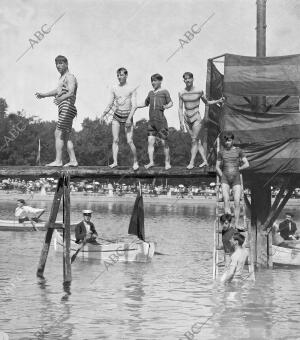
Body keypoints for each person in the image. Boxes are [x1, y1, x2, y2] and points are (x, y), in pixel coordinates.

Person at [35, 55, 78, 167]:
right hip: (65, 108)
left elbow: (71, 92)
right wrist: (44, 95)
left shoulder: (70, 76)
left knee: (58, 133)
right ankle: (73, 160)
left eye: (61, 63)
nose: (58, 66)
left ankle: (58, 161)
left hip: (67, 107)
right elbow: (57, 91)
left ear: (66, 64)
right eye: (56, 64)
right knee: (66, 135)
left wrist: (60, 98)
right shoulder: (62, 78)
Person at [178, 72, 224, 169]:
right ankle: (205, 161)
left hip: (196, 118)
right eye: (185, 79)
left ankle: (191, 162)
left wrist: (218, 101)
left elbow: (207, 102)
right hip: (186, 118)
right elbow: (180, 108)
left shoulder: (199, 91)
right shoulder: (181, 93)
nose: (187, 80)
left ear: (193, 79)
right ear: (184, 80)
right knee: (196, 141)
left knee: (194, 140)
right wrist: (181, 122)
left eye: (189, 78)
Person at [127, 73, 173, 170]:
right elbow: (145, 103)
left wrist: (166, 106)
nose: (153, 82)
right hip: (151, 123)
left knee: (164, 143)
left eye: (155, 80)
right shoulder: (150, 93)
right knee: (150, 142)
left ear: (160, 81)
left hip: (161, 122)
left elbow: (171, 102)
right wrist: (136, 105)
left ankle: (167, 163)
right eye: (152, 81)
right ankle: (151, 162)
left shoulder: (164, 92)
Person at [100, 68, 139, 170]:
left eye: (121, 75)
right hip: (117, 116)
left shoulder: (132, 88)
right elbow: (110, 103)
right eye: (118, 75)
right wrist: (103, 114)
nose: (119, 77)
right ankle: (115, 162)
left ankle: (135, 162)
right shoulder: (114, 88)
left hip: (128, 116)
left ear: (126, 75)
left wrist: (129, 119)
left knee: (130, 141)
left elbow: (134, 106)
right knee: (115, 140)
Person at [216, 133, 249, 229]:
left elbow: (247, 164)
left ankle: (236, 224)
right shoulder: (221, 152)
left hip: (236, 179)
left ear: (232, 140)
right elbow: (217, 167)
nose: (227, 142)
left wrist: (239, 168)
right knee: (226, 201)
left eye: (229, 140)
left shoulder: (239, 150)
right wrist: (222, 176)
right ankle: (228, 223)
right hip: (225, 179)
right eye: (226, 140)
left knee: (237, 202)